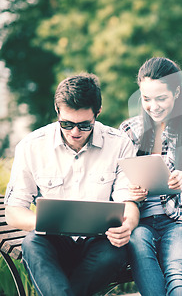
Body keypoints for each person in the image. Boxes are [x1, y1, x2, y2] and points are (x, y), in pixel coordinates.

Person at [5, 74, 140, 296]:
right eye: (66, 124)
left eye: (84, 125)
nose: (75, 132)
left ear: (98, 113)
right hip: (54, 241)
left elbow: (129, 202)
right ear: (57, 112)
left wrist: (128, 225)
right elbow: (13, 211)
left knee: (115, 252)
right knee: (32, 244)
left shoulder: (119, 144)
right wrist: (44, 222)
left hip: (100, 241)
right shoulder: (31, 146)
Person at [119, 57, 182, 296]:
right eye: (146, 99)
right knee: (137, 242)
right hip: (140, 221)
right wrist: (129, 193)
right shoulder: (128, 131)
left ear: (177, 92)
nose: (154, 106)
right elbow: (115, 183)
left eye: (161, 98)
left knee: (178, 272)